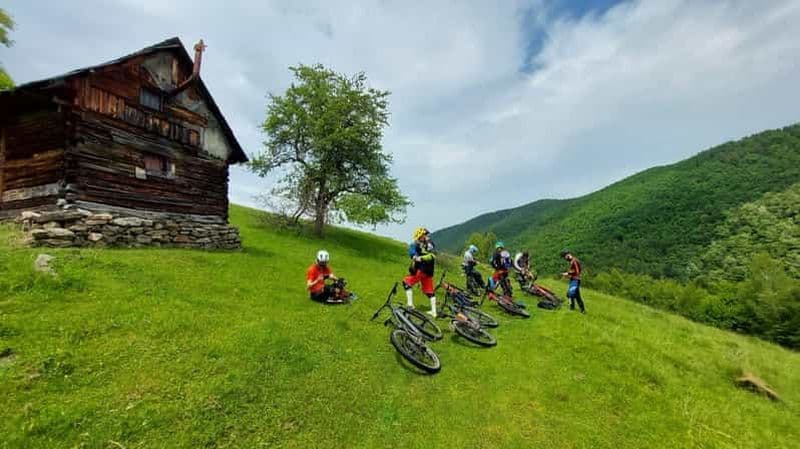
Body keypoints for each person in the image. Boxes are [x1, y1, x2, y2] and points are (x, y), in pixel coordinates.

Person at [403, 227, 438, 317]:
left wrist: (421, 258)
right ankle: (434, 312)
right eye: (425, 235)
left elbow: (432, 255)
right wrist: (414, 256)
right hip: (429, 272)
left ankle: (410, 305)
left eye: (425, 235)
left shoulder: (428, 243)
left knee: (406, 282)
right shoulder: (419, 243)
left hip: (422, 270)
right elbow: (412, 251)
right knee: (429, 291)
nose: (427, 236)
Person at [560, 249, 585, 313]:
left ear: (567, 255)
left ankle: (573, 307)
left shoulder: (574, 261)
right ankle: (580, 309)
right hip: (573, 279)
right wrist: (568, 274)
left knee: (570, 294)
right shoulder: (572, 261)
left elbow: (577, 271)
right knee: (576, 295)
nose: (565, 259)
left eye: (564, 257)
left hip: (575, 280)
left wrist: (568, 273)